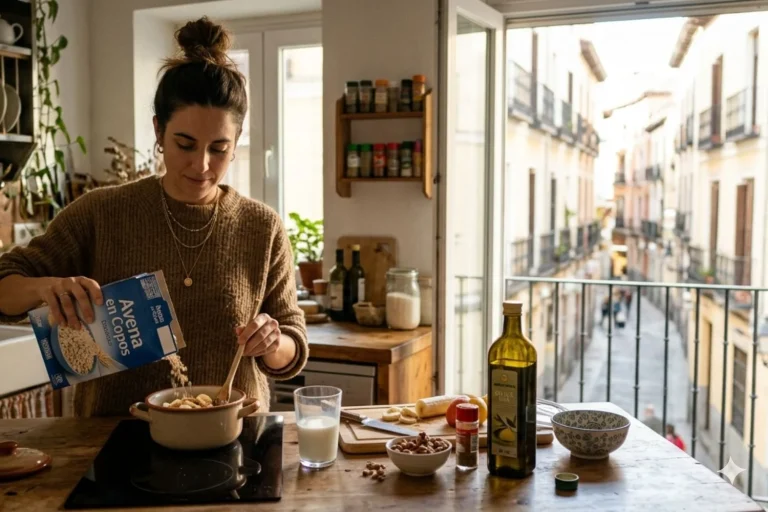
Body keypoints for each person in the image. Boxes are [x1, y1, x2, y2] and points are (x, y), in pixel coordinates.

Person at [0, 18, 308, 417]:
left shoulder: (261, 227)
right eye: (185, 144)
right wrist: (47, 288)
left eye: (219, 148)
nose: (202, 164)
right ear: (159, 132)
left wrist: (273, 341)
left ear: (236, 143)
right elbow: (5, 286)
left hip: (234, 442)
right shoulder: (102, 212)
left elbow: (292, 346)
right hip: (114, 447)